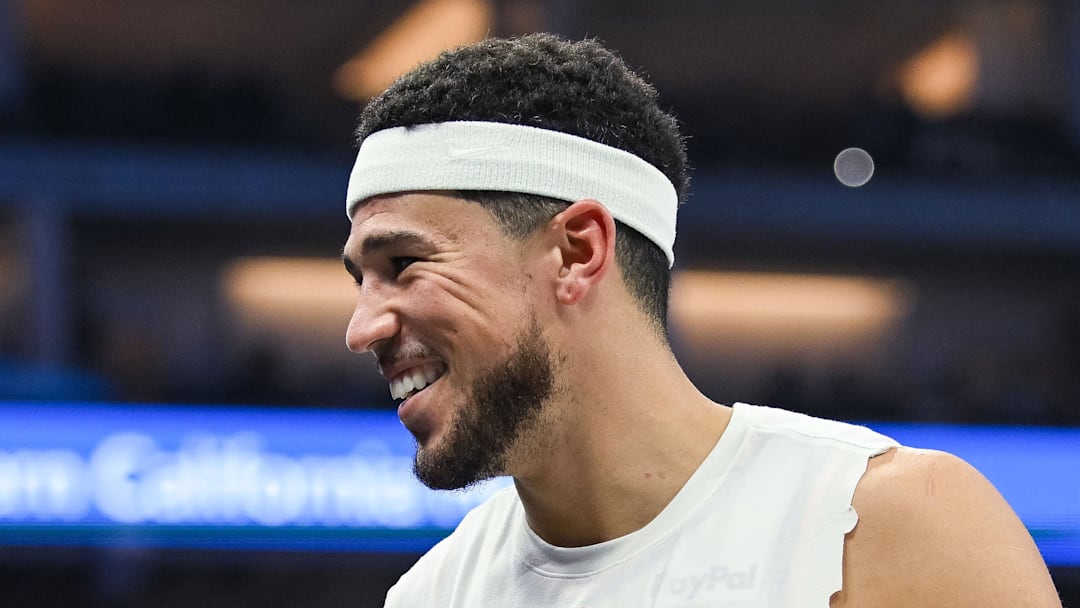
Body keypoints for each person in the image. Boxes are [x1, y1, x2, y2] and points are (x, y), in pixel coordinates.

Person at [340, 34, 1061, 607]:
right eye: (360, 280)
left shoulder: (888, 524)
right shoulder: (433, 594)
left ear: (577, 251)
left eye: (404, 263)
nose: (361, 327)